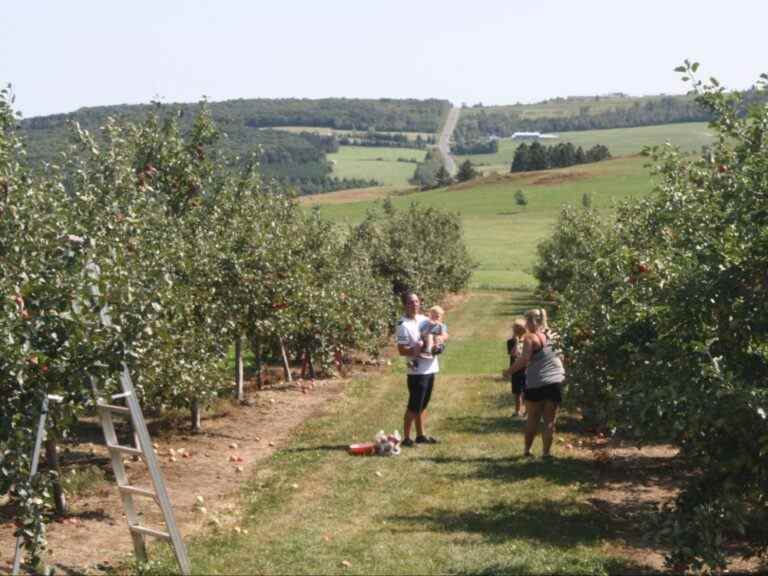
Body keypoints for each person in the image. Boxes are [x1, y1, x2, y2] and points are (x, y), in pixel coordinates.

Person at [503, 308, 565, 458]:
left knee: (533, 418)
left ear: (530, 321)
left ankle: (527, 450)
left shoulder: (531, 338)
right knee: (550, 420)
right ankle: (546, 453)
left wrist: (508, 371)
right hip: (556, 380)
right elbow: (562, 356)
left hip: (537, 381)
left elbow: (524, 360)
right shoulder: (555, 335)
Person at [396, 292, 446, 447]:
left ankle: (420, 435)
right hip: (416, 371)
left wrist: (439, 342)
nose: (415, 304)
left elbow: (442, 333)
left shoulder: (425, 319)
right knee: (414, 405)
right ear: (404, 305)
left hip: (430, 368)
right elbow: (401, 351)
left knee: (423, 404)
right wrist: (416, 350)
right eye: (411, 302)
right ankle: (406, 438)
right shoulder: (402, 325)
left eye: (417, 301)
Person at [506, 319, 528, 418]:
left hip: (527, 369)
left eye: (516, 329)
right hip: (516, 369)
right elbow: (513, 353)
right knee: (517, 392)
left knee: (527, 391)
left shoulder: (528, 340)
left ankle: (527, 411)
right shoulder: (511, 342)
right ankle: (517, 411)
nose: (514, 331)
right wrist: (516, 342)